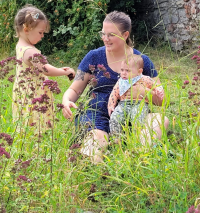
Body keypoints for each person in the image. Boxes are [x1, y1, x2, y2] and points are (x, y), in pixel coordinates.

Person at [62, 11, 169, 163]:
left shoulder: (142, 61)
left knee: (160, 120)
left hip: (134, 115)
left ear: (125, 35)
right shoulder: (94, 56)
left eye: (111, 35)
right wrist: (66, 100)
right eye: (103, 33)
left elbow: (162, 101)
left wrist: (143, 92)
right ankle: (90, 163)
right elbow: (75, 89)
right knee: (97, 139)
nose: (105, 39)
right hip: (97, 114)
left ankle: (136, 157)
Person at [12, 5, 75, 133]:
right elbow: (45, 69)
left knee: (27, 123)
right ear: (26, 29)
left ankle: (29, 142)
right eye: (40, 32)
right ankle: (35, 145)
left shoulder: (21, 45)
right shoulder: (29, 51)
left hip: (23, 91)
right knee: (36, 122)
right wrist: (64, 72)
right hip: (32, 94)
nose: (42, 36)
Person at [108, 54, 165, 145]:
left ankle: (137, 137)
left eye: (128, 70)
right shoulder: (121, 81)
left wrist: (159, 90)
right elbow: (114, 93)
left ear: (139, 71)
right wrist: (111, 104)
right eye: (122, 70)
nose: (124, 73)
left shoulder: (144, 79)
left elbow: (155, 85)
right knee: (115, 117)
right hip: (123, 104)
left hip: (140, 103)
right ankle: (116, 137)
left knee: (137, 117)